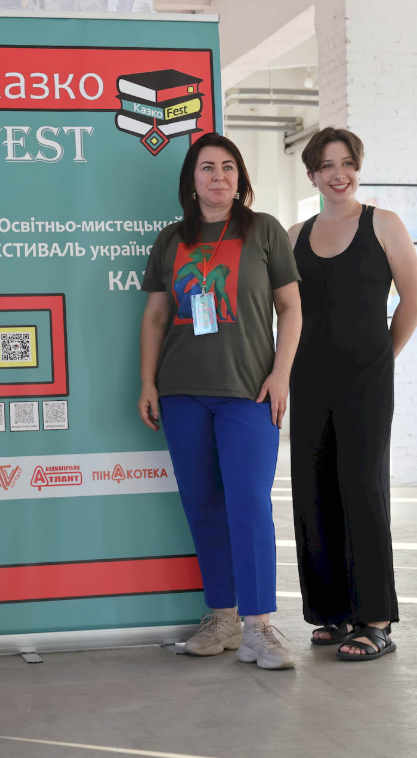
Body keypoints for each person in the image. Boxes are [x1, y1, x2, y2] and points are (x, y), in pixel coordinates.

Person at [138, 132, 303, 671]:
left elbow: (291, 309)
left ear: (240, 178)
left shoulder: (265, 231)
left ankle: (259, 627)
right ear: (192, 179)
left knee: (250, 507)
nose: (218, 177)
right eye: (207, 167)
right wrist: (148, 383)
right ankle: (223, 617)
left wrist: (281, 375)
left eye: (228, 167)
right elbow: (156, 316)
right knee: (203, 506)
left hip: (249, 392)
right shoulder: (170, 240)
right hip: (182, 391)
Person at [286, 127, 417, 661]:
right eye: (326, 165)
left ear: (357, 168)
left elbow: (413, 298)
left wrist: (382, 356)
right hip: (307, 378)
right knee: (315, 488)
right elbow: (286, 310)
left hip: (366, 379)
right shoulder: (295, 234)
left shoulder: (383, 224)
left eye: (347, 163)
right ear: (311, 175)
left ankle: (375, 619)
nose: (338, 174)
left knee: (363, 489)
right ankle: (333, 611)